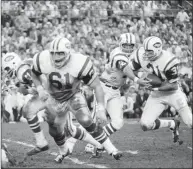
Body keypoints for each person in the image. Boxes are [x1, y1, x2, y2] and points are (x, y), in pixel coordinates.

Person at [1, 52, 105, 162]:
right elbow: (33, 88)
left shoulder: (23, 71)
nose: (7, 72)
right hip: (53, 95)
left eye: (7, 69)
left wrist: (28, 90)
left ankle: (99, 143)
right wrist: (23, 89)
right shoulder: (27, 65)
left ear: (13, 63)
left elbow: (43, 86)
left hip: (58, 95)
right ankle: (46, 144)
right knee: (62, 130)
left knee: (69, 130)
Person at [31, 37, 122, 161]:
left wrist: (101, 109)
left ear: (68, 52)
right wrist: (40, 89)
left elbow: (96, 86)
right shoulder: (42, 59)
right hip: (53, 98)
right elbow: (34, 73)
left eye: (60, 53)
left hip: (73, 95)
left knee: (86, 120)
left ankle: (112, 149)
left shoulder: (79, 63)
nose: (56, 57)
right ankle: (63, 150)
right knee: (55, 131)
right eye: (53, 53)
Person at [123, 36, 192, 143]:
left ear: (158, 49)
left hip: (173, 93)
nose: (146, 54)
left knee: (190, 122)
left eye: (149, 51)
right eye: (145, 50)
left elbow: (173, 85)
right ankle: (172, 124)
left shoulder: (169, 60)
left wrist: (154, 86)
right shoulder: (141, 55)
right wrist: (138, 79)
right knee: (145, 124)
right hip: (156, 94)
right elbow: (129, 69)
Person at [99, 33, 150, 137]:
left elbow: (133, 69)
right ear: (120, 44)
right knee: (98, 119)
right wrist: (137, 79)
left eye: (130, 45)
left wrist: (143, 74)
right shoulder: (117, 54)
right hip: (103, 88)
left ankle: (96, 141)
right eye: (125, 45)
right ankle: (71, 142)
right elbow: (126, 69)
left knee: (118, 122)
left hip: (115, 90)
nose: (127, 48)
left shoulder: (132, 55)